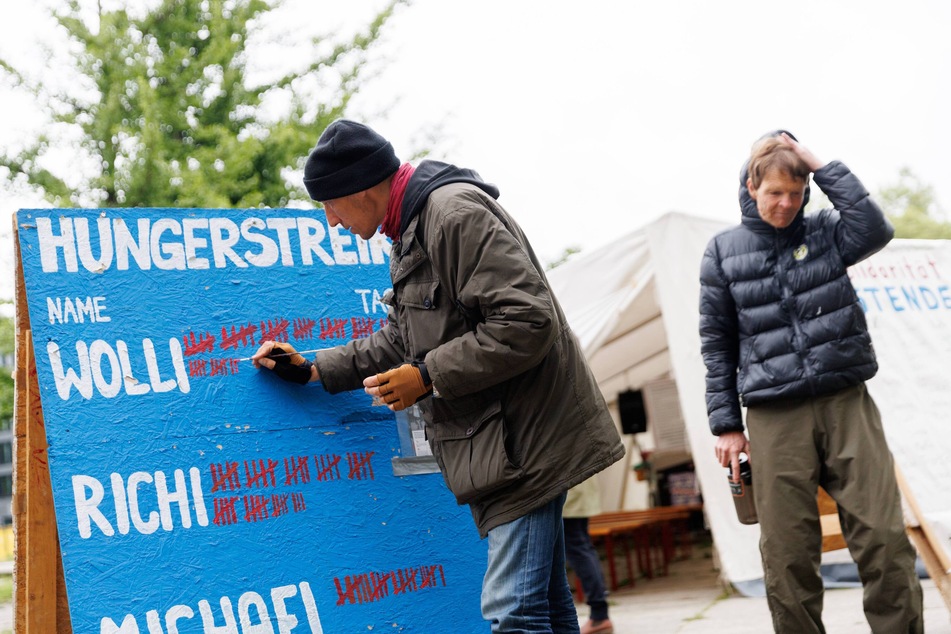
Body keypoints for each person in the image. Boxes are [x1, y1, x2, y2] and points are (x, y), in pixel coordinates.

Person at [252, 119, 625, 633]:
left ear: (362, 188)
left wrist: (426, 376)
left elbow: (526, 321)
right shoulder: (412, 230)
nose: (331, 222)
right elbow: (402, 339)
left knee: (513, 612)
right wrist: (313, 368)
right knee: (548, 608)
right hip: (505, 445)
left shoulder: (451, 215)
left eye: (331, 205)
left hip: (527, 443)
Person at [698, 130, 924, 633]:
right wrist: (727, 426)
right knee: (787, 555)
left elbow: (875, 228)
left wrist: (818, 164)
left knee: (884, 540)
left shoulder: (824, 231)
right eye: (775, 192)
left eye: (796, 194)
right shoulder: (722, 251)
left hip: (847, 402)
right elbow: (716, 344)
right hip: (774, 416)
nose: (785, 204)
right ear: (752, 186)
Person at [563, 477, 613, 634]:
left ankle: (599, 615)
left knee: (578, 550)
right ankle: (599, 613)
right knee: (583, 548)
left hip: (569, 493)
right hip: (579, 490)